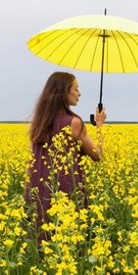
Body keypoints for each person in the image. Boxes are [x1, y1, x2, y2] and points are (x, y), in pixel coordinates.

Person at [24, 71, 106, 246]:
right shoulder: (73, 123)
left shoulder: (40, 122)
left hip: (41, 190)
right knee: (68, 242)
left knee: (43, 241)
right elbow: (97, 155)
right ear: (64, 92)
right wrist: (99, 126)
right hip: (66, 188)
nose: (79, 93)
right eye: (76, 89)